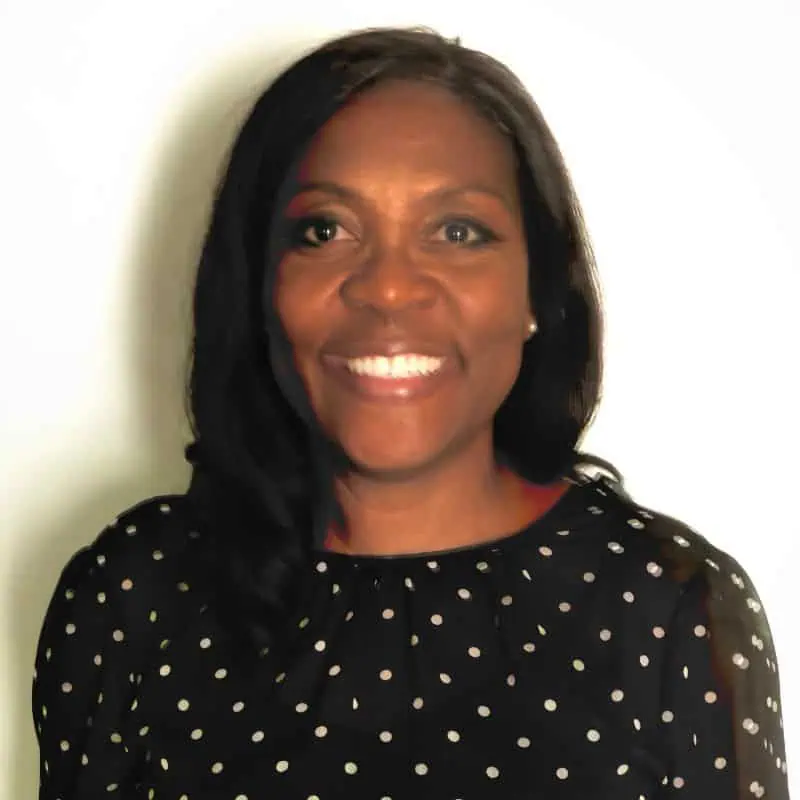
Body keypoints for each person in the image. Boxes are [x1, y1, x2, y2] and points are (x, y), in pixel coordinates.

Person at [32, 26, 790, 800]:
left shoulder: (668, 609)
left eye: (458, 232)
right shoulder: (134, 594)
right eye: (324, 230)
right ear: (259, 283)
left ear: (537, 290)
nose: (388, 288)